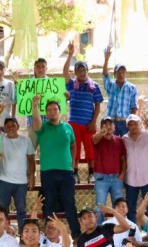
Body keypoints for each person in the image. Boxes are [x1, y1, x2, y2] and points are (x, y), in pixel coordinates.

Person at [31, 96, 79, 231]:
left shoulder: (68, 127)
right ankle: (51, 233)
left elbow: (73, 145)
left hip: (66, 172)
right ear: (46, 113)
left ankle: (76, 234)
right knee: (50, 203)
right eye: (49, 110)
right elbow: (36, 122)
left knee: (69, 203)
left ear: (60, 111)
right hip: (48, 172)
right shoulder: (43, 127)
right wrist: (35, 106)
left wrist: (73, 163)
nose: (52, 112)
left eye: (55, 109)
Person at [63, 44, 103, 177]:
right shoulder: (71, 85)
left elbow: (97, 105)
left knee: (90, 149)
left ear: (87, 71)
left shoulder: (94, 86)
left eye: (84, 70)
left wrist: (93, 121)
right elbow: (64, 73)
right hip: (74, 122)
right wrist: (69, 54)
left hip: (88, 124)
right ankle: (74, 173)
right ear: (75, 72)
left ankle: (91, 174)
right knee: (74, 148)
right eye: (79, 70)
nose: (82, 72)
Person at [0, 106, 35, 228]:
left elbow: (31, 160)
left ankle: (22, 234)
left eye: (13, 125)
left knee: (21, 210)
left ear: (18, 126)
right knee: (2, 210)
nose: (10, 128)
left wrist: (31, 176)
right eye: (8, 126)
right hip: (4, 181)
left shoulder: (26, 141)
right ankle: (3, 233)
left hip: (21, 182)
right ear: (4, 129)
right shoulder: (1, 139)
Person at [101, 47, 139, 136]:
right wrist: (106, 59)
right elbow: (105, 74)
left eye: (123, 72)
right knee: (111, 145)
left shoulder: (132, 88)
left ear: (126, 73)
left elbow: (134, 107)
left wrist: (132, 122)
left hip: (125, 122)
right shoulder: (111, 86)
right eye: (118, 72)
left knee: (125, 146)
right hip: (111, 122)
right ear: (114, 74)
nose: (121, 74)